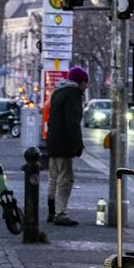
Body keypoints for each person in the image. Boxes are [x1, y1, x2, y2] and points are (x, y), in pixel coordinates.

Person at [44, 66, 87, 226]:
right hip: (64, 143)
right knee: (65, 179)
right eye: (85, 82)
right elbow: (72, 122)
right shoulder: (73, 94)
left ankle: (51, 210)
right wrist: (77, 144)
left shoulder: (58, 92)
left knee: (53, 177)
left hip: (53, 141)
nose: (86, 86)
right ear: (80, 82)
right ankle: (60, 213)